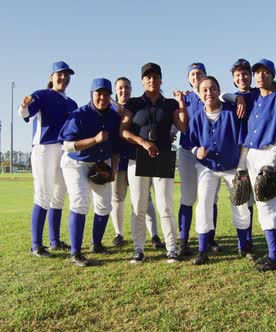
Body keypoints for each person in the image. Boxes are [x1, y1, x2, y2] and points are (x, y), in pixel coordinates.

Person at [120, 63, 188, 264]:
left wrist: (181, 103)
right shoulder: (132, 104)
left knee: (165, 207)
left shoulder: (170, 104)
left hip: (163, 157)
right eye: (147, 77)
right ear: (142, 81)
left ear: (161, 80)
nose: (152, 80)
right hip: (138, 158)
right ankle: (138, 250)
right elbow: (123, 131)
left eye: (156, 77)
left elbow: (182, 126)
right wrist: (143, 142)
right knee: (138, 207)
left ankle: (171, 249)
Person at [229, 58, 276, 259]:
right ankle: (267, 248)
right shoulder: (252, 98)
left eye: (265, 72)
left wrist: (272, 161)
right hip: (250, 154)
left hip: (271, 152)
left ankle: (275, 255)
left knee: (267, 203)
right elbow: (226, 96)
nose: (260, 76)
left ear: (272, 76)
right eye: (258, 72)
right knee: (246, 197)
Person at [58, 78, 121, 266]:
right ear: (91, 94)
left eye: (106, 94)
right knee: (80, 202)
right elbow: (67, 145)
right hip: (76, 163)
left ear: (110, 96)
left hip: (101, 162)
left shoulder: (114, 116)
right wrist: (94, 140)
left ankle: (97, 244)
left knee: (104, 205)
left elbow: (117, 148)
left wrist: (114, 170)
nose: (102, 97)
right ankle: (75, 253)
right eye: (98, 93)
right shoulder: (80, 114)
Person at [188, 76, 251, 265]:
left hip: (232, 167)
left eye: (213, 89)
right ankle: (202, 249)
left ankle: (245, 246)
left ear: (219, 91)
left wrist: (241, 168)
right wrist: (196, 150)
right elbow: (190, 142)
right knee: (204, 204)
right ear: (199, 94)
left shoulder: (231, 113)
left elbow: (243, 142)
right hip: (208, 167)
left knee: (240, 204)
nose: (209, 93)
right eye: (205, 90)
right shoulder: (198, 116)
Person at [18, 61, 77, 257]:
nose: (63, 78)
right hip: (44, 148)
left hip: (64, 150)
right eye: (60, 74)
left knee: (59, 196)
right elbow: (25, 113)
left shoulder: (71, 103)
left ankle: (54, 241)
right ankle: (36, 245)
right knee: (43, 195)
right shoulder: (42, 94)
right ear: (52, 76)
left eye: (67, 75)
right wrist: (24, 107)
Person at [111, 77, 165, 249]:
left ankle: (154, 235)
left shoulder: (137, 106)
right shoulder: (110, 109)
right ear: (115, 90)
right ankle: (118, 234)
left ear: (132, 88)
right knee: (118, 198)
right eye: (120, 88)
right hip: (118, 159)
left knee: (145, 199)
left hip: (137, 156)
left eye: (127, 87)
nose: (123, 90)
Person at [177, 63, 222, 256]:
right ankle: (183, 240)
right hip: (188, 151)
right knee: (188, 196)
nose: (196, 76)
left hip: (209, 152)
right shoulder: (183, 98)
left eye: (199, 73)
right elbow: (176, 125)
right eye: (192, 74)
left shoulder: (212, 94)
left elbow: (226, 99)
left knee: (210, 197)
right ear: (188, 78)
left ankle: (210, 238)